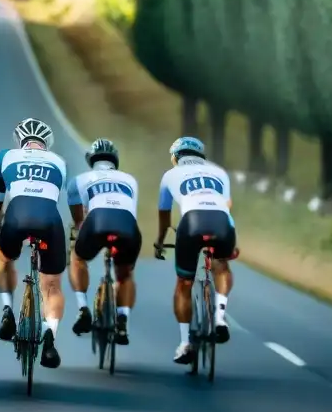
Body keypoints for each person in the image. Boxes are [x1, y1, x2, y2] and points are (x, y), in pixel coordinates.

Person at [0, 117, 68, 369]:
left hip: (15, 219)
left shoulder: (5, 157)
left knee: (5, 260)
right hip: (49, 222)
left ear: (19, 140)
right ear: (47, 143)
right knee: (52, 284)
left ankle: (7, 311)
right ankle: (50, 339)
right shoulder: (60, 161)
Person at [153, 136, 238, 365]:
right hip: (222, 223)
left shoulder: (170, 175)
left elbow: (164, 214)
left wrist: (160, 241)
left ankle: (185, 343)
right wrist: (232, 241)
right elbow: (226, 208)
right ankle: (220, 317)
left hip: (191, 224)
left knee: (183, 284)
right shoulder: (219, 172)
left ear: (175, 157)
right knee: (222, 265)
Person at [66, 139, 142, 345]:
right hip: (127, 226)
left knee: (77, 257)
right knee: (125, 274)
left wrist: (79, 230)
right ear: (114, 161)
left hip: (96, 223)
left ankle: (83, 309)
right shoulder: (130, 180)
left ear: (91, 161)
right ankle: (123, 321)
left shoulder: (79, 180)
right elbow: (130, 211)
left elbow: (79, 220)